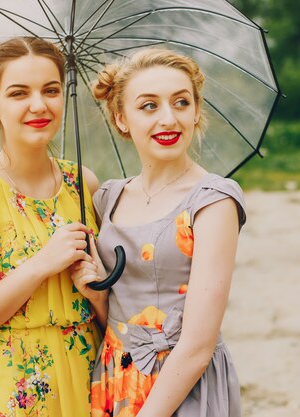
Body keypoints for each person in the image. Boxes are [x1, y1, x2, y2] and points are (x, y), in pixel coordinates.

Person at [0, 36, 107, 416]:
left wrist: (97, 293)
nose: (38, 105)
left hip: (91, 382)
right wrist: (40, 265)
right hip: (14, 393)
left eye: (51, 90)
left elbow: (112, 310)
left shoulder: (84, 185)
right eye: (18, 93)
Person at [72, 48, 246, 417]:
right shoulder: (107, 198)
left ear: (196, 110)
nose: (169, 119)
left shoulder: (212, 202)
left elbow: (198, 346)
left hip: (182, 386)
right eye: (149, 106)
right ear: (121, 118)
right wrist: (98, 297)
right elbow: (119, 316)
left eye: (181, 102)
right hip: (116, 377)